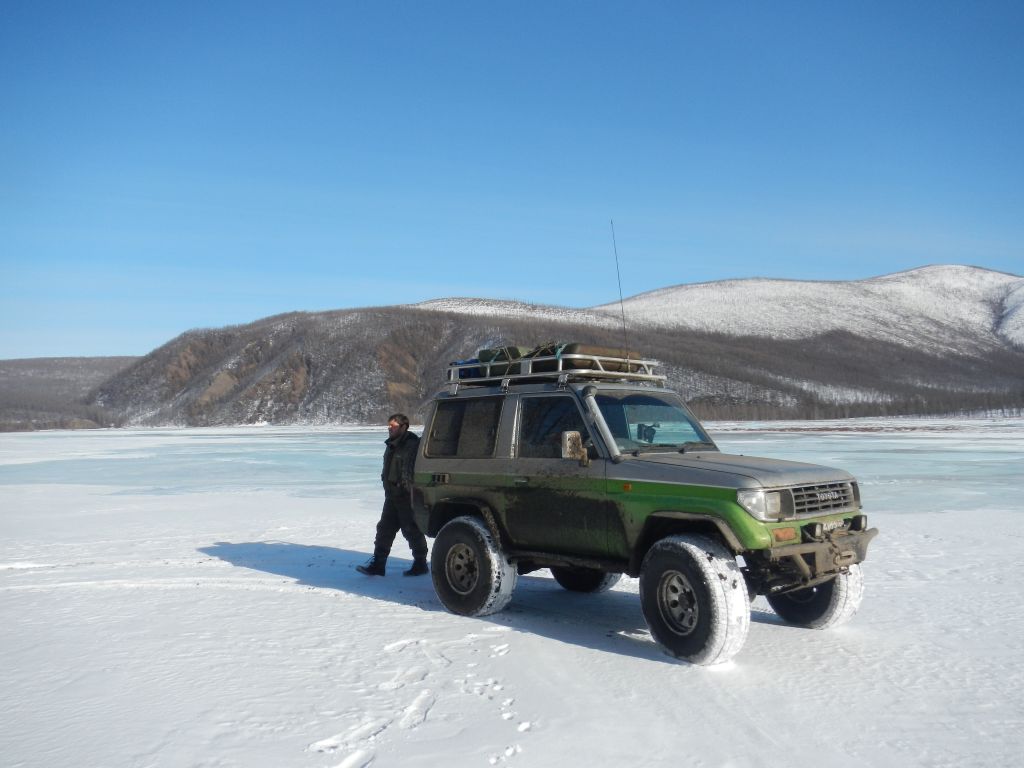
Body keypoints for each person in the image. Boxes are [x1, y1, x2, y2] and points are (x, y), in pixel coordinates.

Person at [356, 413, 429, 577]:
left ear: (404, 427)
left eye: (393, 426)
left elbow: (413, 471)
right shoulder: (391, 444)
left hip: (406, 496)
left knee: (411, 530)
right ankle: (378, 564)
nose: (389, 429)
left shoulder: (412, 445)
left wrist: (407, 489)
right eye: (389, 426)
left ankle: (421, 563)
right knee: (384, 529)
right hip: (392, 496)